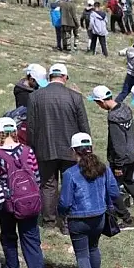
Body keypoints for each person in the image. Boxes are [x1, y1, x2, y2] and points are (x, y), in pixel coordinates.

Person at [0, 117, 49, 268]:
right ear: (15, 131)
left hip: (6, 203)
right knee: (31, 239)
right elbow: (36, 177)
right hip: (29, 201)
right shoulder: (28, 151)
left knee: (8, 236)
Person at [58, 133, 120, 268]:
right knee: (93, 248)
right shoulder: (104, 169)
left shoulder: (70, 174)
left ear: (73, 151)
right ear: (91, 148)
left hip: (78, 219)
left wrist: (61, 214)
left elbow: (65, 202)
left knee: (82, 254)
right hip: (99, 217)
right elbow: (114, 193)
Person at [28, 64, 90, 230]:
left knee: (48, 185)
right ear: (65, 77)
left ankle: (48, 221)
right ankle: (67, 222)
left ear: (49, 77)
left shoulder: (35, 97)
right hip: (71, 150)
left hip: (45, 148)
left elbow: (31, 127)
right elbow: (83, 125)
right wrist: (87, 149)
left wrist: (33, 147)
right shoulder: (75, 97)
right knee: (70, 184)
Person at [89, 86, 134, 227]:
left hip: (121, 159)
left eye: (97, 103)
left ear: (101, 101)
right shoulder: (124, 107)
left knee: (112, 187)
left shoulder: (113, 117)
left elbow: (118, 143)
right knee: (130, 182)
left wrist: (118, 164)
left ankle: (126, 219)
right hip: (131, 155)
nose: (98, 106)